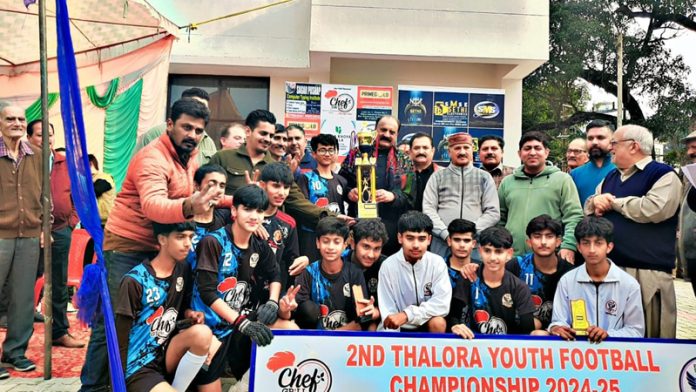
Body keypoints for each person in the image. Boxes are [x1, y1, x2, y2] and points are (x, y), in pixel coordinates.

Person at [80, 99, 219, 391]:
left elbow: (191, 194)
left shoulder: (189, 157)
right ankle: (93, 387)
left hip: (162, 247)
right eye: (186, 127)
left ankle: (145, 379)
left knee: (157, 317)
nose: (192, 135)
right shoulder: (152, 157)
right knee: (113, 322)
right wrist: (192, 204)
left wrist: (242, 205)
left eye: (198, 130)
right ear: (169, 125)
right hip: (127, 247)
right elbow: (155, 205)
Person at [585, 125, 681, 338]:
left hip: (648, 271)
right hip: (612, 268)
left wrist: (614, 203)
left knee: (652, 335)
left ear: (633, 146)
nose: (610, 148)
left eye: (614, 144)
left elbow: (655, 209)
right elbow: (592, 205)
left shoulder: (663, 174)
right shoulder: (611, 177)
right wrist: (594, 201)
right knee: (610, 334)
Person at [190, 185, 288, 388]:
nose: (254, 216)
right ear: (234, 211)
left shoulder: (259, 242)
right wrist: (242, 322)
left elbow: (275, 273)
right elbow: (206, 292)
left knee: (287, 327)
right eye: (248, 209)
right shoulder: (213, 242)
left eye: (259, 211)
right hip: (210, 329)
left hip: (239, 324)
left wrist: (272, 302)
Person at [116, 221, 212, 392]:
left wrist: (190, 314)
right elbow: (119, 339)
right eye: (180, 237)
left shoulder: (183, 268)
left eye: (191, 237)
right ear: (162, 239)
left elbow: (180, 309)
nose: (188, 243)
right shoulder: (134, 281)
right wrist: (117, 384)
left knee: (203, 334)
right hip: (138, 365)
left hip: (165, 354)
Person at [208, 110, 337, 231]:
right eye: (263, 133)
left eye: (271, 135)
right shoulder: (223, 158)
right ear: (248, 131)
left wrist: (329, 216)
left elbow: (296, 200)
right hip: (224, 232)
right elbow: (206, 194)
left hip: (265, 237)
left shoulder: (277, 167)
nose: (267, 139)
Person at [26, 119, 83, 348]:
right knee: (22, 281)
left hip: (60, 231)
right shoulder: (23, 162)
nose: (46, 140)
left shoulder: (65, 164)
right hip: (27, 232)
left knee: (59, 284)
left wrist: (71, 222)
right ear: (29, 138)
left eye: (49, 135)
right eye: (40, 135)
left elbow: (79, 196)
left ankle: (59, 331)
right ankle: (18, 336)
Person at [548, 216, 645, 342]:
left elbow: (636, 330)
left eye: (598, 243)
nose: (592, 250)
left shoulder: (629, 284)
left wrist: (608, 335)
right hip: (576, 351)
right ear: (578, 247)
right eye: (586, 243)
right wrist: (557, 328)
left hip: (615, 354)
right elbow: (559, 320)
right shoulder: (567, 281)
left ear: (609, 247)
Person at [0, 104, 43, 378]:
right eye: (10, 118)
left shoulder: (37, 155)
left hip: (29, 235)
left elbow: (45, 195)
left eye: (20, 118)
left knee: (23, 299)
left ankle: (15, 352)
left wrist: (44, 227)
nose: (16, 122)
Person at [498, 131, 583, 262]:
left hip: (550, 259)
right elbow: (500, 219)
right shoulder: (507, 182)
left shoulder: (562, 180)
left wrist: (569, 245)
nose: (532, 153)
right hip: (513, 258)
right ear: (519, 154)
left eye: (537, 148)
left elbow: (573, 216)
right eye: (527, 148)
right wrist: (501, 247)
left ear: (546, 152)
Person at [448, 226, 536, 338]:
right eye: (487, 251)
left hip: (507, 349)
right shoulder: (468, 276)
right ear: (480, 251)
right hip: (471, 344)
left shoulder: (519, 287)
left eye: (499, 251)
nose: (492, 257)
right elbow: (453, 315)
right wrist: (456, 325)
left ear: (509, 253)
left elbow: (528, 332)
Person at [340, 116, 411, 255]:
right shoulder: (356, 154)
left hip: (391, 227)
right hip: (359, 223)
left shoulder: (404, 159)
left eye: (392, 132)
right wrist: (349, 193)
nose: (387, 135)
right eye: (383, 130)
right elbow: (341, 184)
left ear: (397, 135)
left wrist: (393, 196)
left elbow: (410, 195)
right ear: (374, 131)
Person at [422, 132, 499, 256]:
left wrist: (471, 233)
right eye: (457, 148)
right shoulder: (437, 177)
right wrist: (444, 234)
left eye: (466, 147)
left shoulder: (484, 177)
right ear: (449, 152)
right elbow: (428, 209)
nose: (462, 152)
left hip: (474, 243)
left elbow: (493, 212)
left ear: (472, 150)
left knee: (472, 274)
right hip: (442, 243)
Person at [294, 217, 374, 330]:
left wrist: (333, 338)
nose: (331, 247)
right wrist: (285, 309)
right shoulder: (308, 273)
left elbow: (361, 319)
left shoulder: (354, 273)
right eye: (326, 241)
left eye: (337, 242)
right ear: (318, 243)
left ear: (345, 244)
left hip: (346, 338)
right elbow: (294, 313)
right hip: (313, 341)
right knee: (308, 309)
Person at [377, 211, 451, 332]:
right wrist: (399, 320)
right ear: (400, 238)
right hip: (398, 326)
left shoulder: (437, 263)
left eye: (422, 239)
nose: (416, 245)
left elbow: (442, 305)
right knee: (388, 327)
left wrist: (408, 314)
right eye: (410, 238)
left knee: (438, 322)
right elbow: (388, 311)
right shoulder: (388, 266)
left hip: (426, 322)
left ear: (429, 239)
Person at [505, 215, 574, 332]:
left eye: (549, 237)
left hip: (558, 335)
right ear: (529, 242)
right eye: (537, 237)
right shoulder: (516, 265)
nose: (543, 242)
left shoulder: (570, 273)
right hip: (518, 334)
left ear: (558, 242)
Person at [296, 134, 348, 261]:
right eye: (322, 150)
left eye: (331, 150)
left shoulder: (342, 181)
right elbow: (302, 209)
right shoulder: (306, 178)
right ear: (314, 154)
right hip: (311, 236)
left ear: (336, 153)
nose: (327, 154)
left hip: (335, 237)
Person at [134, 88, 217, 165]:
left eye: (204, 108)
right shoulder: (156, 134)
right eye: (187, 128)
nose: (200, 110)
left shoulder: (209, 142)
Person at [259, 163, 307, 290]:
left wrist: (303, 261)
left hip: (272, 290)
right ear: (263, 185)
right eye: (276, 186)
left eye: (286, 187)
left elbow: (291, 260)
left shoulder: (289, 223)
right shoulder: (245, 217)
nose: (282, 192)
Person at [343, 219, 388, 330]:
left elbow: (398, 304)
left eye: (377, 248)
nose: (371, 255)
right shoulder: (339, 261)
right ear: (353, 243)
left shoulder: (386, 266)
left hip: (374, 320)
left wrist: (377, 311)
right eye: (366, 247)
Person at [187, 164, 230, 271]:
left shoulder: (226, 218)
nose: (218, 190)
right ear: (196, 186)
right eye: (212, 184)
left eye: (222, 186)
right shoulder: (181, 220)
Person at [570, 120, 616, 206]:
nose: (594, 142)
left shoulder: (624, 169)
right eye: (590, 138)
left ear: (612, 141)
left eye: (600, 137)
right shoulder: (575, 174)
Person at [678, 129, 696, 295]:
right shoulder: (690, 175)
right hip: (692, 255)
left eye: (695, 147)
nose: (690, 152)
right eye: (689, 148)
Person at [402, 133, 439, 212]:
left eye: (425, 148)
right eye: (416, 148)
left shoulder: (443, 174)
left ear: (433, 151)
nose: (421, 151)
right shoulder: (401, 175)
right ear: (410, 152)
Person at [444, 219, 477, 290]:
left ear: (473, 244)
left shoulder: (481, 270)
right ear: (449, 241)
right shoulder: (439, 268)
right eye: (457, 240)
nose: (462, 245)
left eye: (467, 240)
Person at [88, 154, 116, 226]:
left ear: (90, 164)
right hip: (92, 221)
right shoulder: (89, 179)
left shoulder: (105, 178)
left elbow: (94, 191)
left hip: (105, 222)